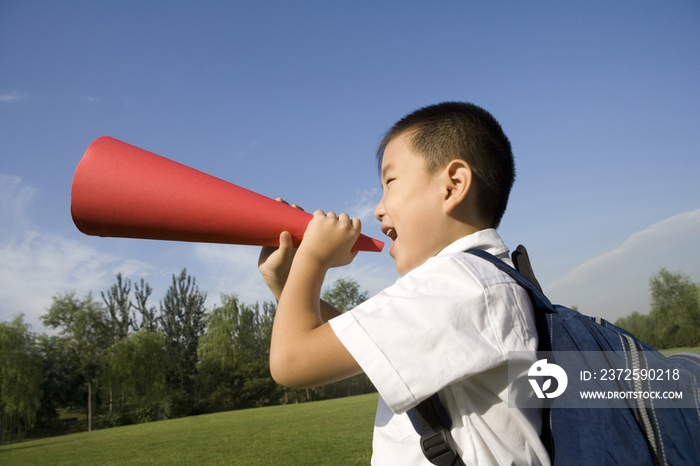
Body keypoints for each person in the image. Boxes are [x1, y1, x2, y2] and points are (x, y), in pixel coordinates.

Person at [258, 102, 550, 465]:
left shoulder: (457, 283)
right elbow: (353, 346)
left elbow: (291, 361)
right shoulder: (478, 280)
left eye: (390, 182)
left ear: (453, 185)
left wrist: (313, 258)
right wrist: (287, 282)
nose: (378, 209)